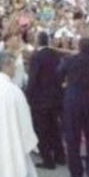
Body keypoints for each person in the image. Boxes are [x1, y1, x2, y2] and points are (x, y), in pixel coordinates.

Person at [59, 37, 89, 177]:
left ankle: (76, 172)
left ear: (79, 47)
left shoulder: (70, 60)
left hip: (73, 101)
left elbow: (59, 74)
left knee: (73, 137)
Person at [25, 31, 65, 169]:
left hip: (40, 99)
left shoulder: (36, 57)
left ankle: (48, 160)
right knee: (55, 127)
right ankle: (60, 156)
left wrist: (28, 96)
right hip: (55, 97)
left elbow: (33, 78)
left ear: (37, 41)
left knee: (42, 130)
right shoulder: (55, 54)